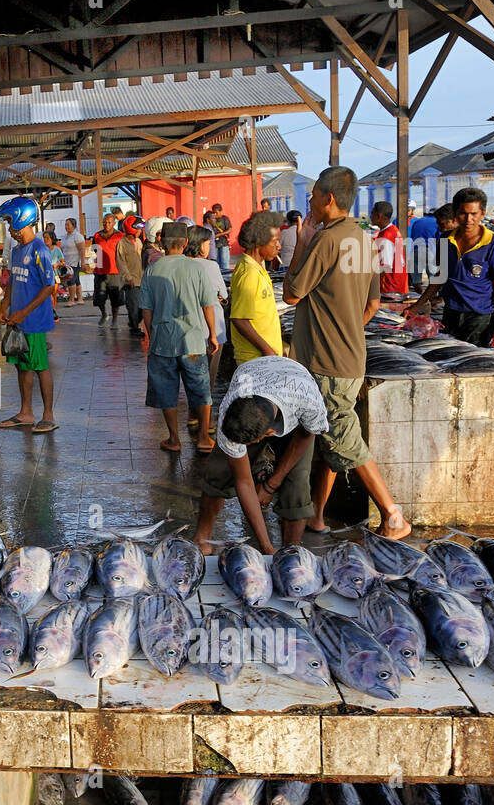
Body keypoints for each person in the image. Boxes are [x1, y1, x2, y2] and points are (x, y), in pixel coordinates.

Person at [283, 166, 410, 540]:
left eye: (314, 194)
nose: (310, 201)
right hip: (350, 355)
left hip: (326, 361)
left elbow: (292, 294)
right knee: (328, 441)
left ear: (329, 198)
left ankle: (392, 515)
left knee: (345, 441)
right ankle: (317, 516)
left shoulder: (327, 239)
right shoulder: (362, 239)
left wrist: (303, 241)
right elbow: (373, 302)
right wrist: (347, 324)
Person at [194, 356, 328, 555]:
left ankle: (291, 553)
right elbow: (244, 482)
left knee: (297, 484)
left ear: (265, 435)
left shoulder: (309, 400)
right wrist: (266, 547)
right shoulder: (232, 410)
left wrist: (272, 483)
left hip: (296, 403)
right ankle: (201, 539)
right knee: (218, 473)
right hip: (256, 375)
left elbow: (307, 434)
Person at [139, 221, 218, 453]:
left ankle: (174, 439)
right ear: (185, 243)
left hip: (162, 341)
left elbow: (146, 310)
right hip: (192, 340)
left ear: (162, 242)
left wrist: (153, 334)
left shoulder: (152, 269)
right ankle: (204, 438)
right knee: (200, 389)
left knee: (166, 391)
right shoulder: (197, 268)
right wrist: (212, 335)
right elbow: (208, 306)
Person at [404, 187, 494, 347]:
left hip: (479, 317)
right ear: (455, 213)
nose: (468, 219)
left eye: (474, 214)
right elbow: (441, 276)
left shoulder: (492, 242)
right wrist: (417, 305)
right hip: (451, 312)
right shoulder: (446, 239)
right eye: (463, 213)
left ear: (482, 213)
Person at [0, 196, 58, 433]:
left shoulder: (39, 249)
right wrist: (5, 305)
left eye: (11, 224)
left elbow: (49, 286)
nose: (10, 230)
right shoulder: (17, 250)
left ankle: (49, 415)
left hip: (33, 322)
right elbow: (12, 279)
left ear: (24, 220)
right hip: (17, 321)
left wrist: (23, 312)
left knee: (40, 367)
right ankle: (25, 412)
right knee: (22, 366)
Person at [230, 212, 284, 366]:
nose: (279, 246)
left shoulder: (257, 267)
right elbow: (239, 319)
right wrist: (267, 350)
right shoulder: (249, 274)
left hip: (265, 357)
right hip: (255, 359)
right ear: (259, 242)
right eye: (275, 242)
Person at [185, 225, 228, 388]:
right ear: (200, 244)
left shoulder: (180, 265)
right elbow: (223, 295)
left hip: (188, 331)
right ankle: (205, 413)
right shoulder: (211, 266)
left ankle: (193, 411)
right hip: (212, 331)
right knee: (208, 379)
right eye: (208, 243)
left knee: (192, 379)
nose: (209, 247)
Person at [91, 213, 123, 325]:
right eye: (105, 222)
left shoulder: (120, 236)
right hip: (99, 271)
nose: (106, 224)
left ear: (114, 223)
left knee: (115, 298)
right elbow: (93, 250)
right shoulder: (97, 235)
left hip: (115, 271)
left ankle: (115, 319)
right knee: (99, 297)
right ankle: (104, 313)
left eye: (109, 222)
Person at [116, 214, 146, 337]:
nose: (140, 231)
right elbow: (121, 263)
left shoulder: (139, 242)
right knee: (133, 306)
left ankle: (134, 323)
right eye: (139, 229)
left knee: (141, 307)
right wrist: (128, 277)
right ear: (132, 229)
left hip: (141, 279)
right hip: (130, 281)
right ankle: (134, 328)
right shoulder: (121, 244)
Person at [370, 201, 408, 294]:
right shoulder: (393, 229)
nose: (370, 216)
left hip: (390, 287)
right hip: (398, 282)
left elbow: (385, 267)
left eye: (372, 214)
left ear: (379, 216)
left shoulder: (386, 236)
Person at [60, 218, 85, 305]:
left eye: (68, 224)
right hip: (66, 262)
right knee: (77, 280)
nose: (66, 226)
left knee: (71, 280)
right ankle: (80, 299)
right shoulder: (64, 237)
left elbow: (82, 249)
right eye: (65, 225)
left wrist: (83, 262)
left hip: (75, 262)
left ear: (74, 226)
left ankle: (71, 300)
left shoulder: (77, 236)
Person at [209, 203, 232, 271]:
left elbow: (229, 230)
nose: (215, 214)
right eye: (213, 213)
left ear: (220, 211)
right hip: (215, 245)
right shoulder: (212, 220)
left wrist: (219, 235)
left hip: (224, 243)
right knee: (216, 264)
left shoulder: (225, 219)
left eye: (216, 212)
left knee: (225, 263)